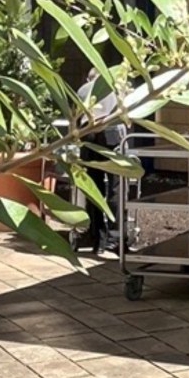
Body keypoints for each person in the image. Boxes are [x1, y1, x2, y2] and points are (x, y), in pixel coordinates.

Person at [74, 68, 128, 254]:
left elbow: (77, 116)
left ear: (90, 78)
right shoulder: (117, 89)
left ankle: (97, 238)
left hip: (89, 138)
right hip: (114, 137)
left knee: (94, 189)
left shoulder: (82, 90)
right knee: (116, 188)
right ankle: (116, 237)